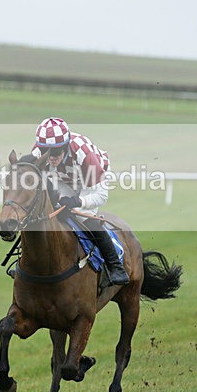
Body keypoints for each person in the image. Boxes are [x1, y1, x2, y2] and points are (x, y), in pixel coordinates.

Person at [31, 117, 129, 286]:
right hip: (63, 178)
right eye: (46, 151)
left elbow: (101, 196)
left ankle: (115, 266)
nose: (51, 157)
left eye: (56, 151)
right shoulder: (38, 153)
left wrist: (77, 202)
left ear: (66, 145)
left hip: (90, 178)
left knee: (83, 217)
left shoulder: (83, 154)